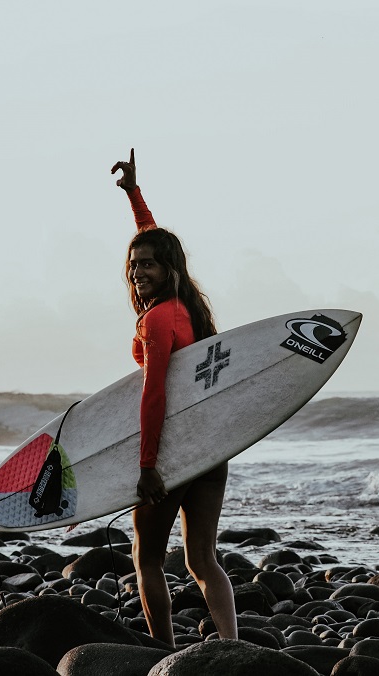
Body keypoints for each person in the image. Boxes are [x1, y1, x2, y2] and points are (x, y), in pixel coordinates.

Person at [111, 148, 237, 646]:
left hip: (173, 452)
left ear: (168, 269)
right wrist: (134, 195)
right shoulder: (187, 308)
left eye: (148, 266)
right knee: (202, 558)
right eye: (134, 264)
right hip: (211, 449)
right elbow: (157, 242)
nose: (139, 270)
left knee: (147, 558)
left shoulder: (157, 319)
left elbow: (155, 392)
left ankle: (162, 652)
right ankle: (230, 645)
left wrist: (148, 466)